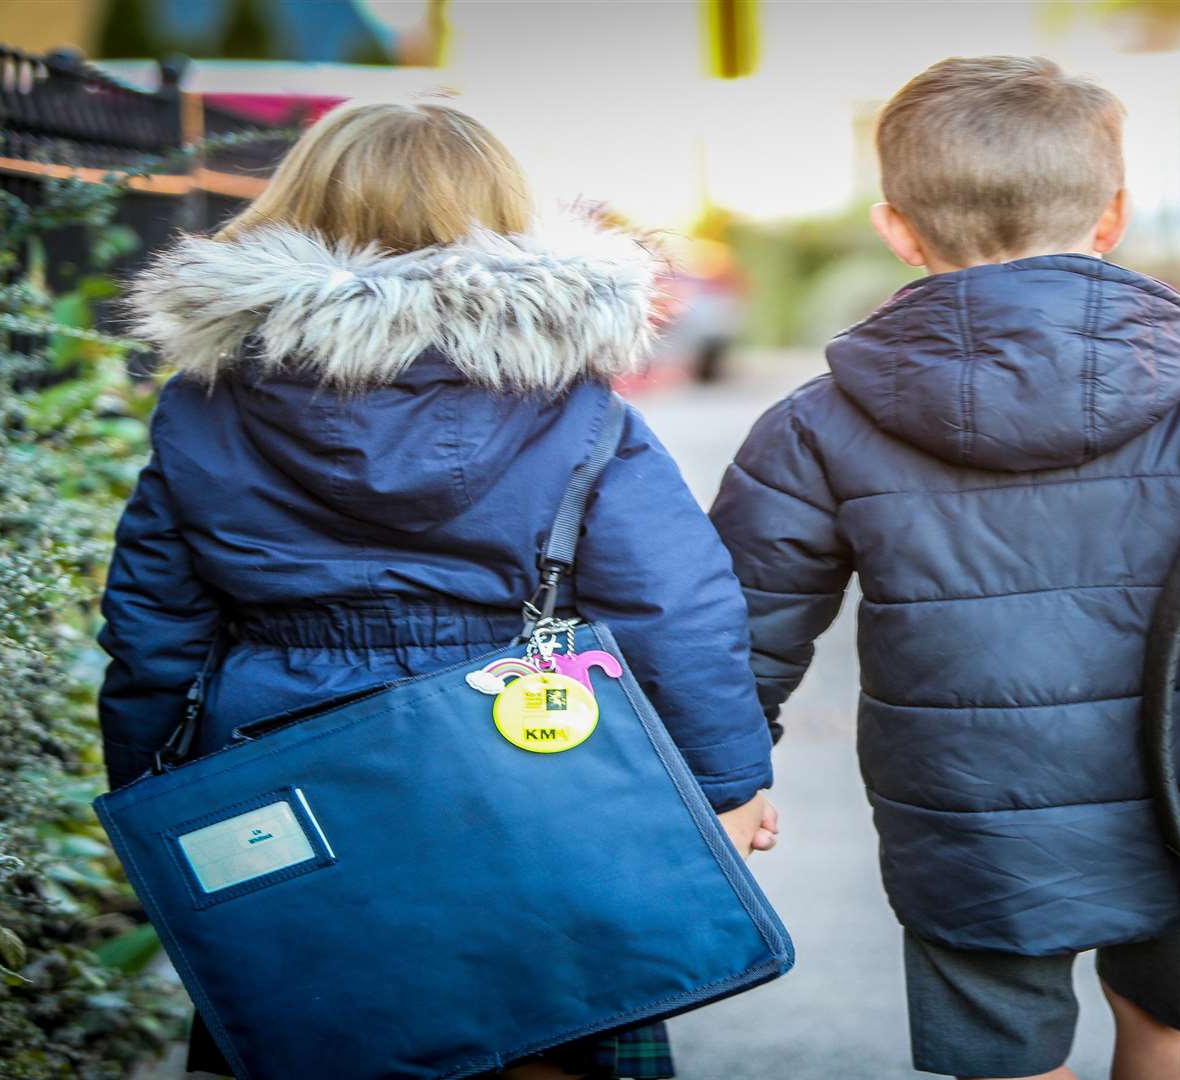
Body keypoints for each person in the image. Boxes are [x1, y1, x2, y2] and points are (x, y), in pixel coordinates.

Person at [708, 57, 1180, 1080]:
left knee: (1002, 1050)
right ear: (1111, 217)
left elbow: (744, 625)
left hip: (963, 816)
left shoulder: (817, 424)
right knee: (1169, 1024)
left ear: (897, 226)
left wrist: (731, 775)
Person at [99, 100, 777, 1080]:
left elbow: (152, 630)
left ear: (297, 209)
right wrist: (729, 783)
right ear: (501, 213)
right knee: (556, 1024)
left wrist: (151, 796)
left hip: (284, 771)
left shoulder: (205, 399)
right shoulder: (574, 403)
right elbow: (676, 610)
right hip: (530, 762)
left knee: (318, 1032)